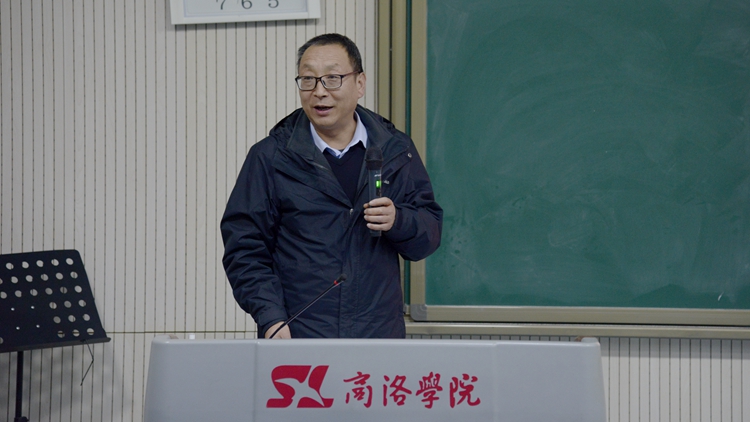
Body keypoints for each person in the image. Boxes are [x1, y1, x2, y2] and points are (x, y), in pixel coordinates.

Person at [220, 33, 442, 339]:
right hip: (299, 335)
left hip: (378, 336)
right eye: (308, 80)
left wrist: (398, 220)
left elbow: (428, 235)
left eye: (332, 79)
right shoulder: (271, 156)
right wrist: (270, 317)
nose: (319, 92)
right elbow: (245, 248)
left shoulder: (395, 151)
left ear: (360, 84)